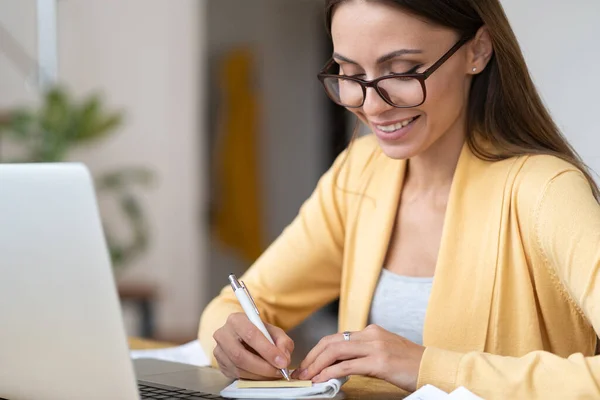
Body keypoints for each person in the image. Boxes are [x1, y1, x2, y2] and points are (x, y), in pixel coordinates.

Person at [199, 0, 600, 398]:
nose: (372, 105)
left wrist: (426, 367)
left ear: (477, 50)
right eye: (350, 73)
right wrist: (235, 342)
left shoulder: (548, 191)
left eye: (404, 71)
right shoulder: (360, 173)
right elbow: (234, 305)